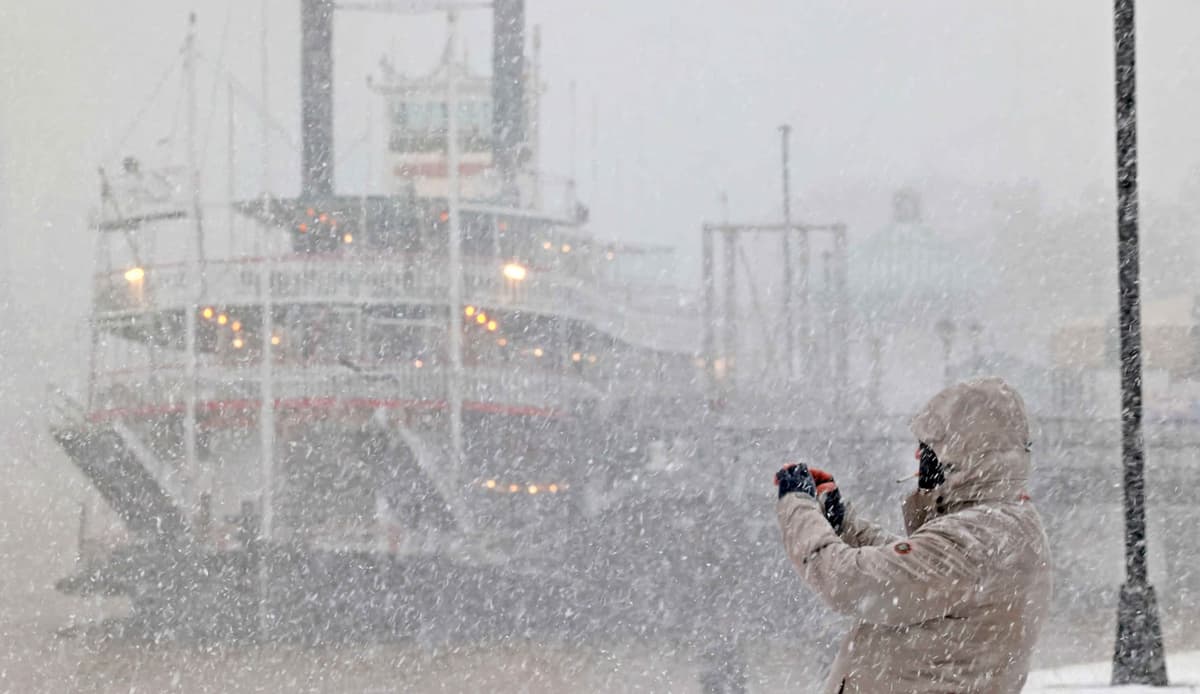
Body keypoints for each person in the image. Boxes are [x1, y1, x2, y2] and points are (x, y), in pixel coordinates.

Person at [775, 377, 1052, 693]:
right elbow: (920, 574)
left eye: (929, 446)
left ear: (962, 455)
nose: (919, 458)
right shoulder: (1004, 526)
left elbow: (849, 580)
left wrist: (797, 504)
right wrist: (845, 526)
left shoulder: (973, 539)